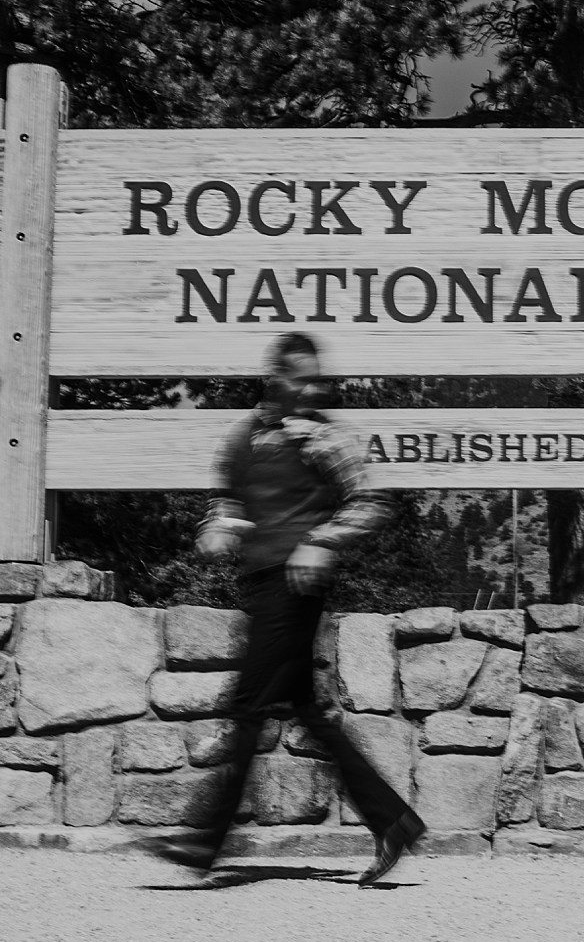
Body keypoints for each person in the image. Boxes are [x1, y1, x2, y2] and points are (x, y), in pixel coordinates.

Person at [144, 332, 425, 886]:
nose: (313, 388)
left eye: (317, 378)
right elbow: (226, 500)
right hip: (260, 583)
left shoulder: (324, 437)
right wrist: (219, 526)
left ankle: (205, 842)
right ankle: (393, 821)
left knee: (248, 705)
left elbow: (370, 501)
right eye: (302, 378)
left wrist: (321, 540)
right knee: (309, 712)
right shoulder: (244, 436)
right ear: (275, 377)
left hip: (295, 586)